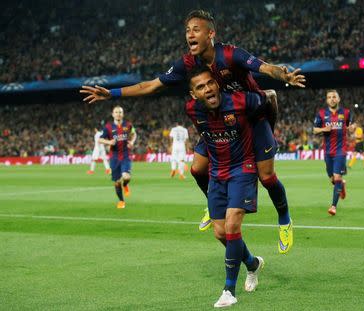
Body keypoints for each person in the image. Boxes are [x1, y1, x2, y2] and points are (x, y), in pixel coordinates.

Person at [80, 10, 304, 253]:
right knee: (197, 169)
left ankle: (284, 219)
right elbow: (152, 85)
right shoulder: (187, 63)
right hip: (219, 120)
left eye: (195, 29)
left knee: (267, 177)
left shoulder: (230, 54)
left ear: (211, 34)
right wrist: (111, 93)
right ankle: (213, 203)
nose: (190, 35)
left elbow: (265, 67)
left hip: (252, 117)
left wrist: (284, 75)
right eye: (187, 31)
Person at [186, 66, 267, 308]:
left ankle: (229, 290)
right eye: (200, 87)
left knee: (232, 225)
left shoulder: (242, 101)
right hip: (217, 173)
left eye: (210, 83)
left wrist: (266, 146)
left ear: (217, 84)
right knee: (221, 233)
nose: (208, 88)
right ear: (193, 95)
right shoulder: (192, 110)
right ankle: (252, 264)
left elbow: (265, 101)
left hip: (243, 168)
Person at [313, 90, 355, 216]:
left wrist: (352, 128)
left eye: (334, 97)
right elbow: (315, 130)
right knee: (332, 179)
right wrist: (323, 129)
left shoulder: (346, 112)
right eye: (329, 97)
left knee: (337, 177)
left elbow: (352, 126)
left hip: (340, 151)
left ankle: (333, 206)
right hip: (327, 151)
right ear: (327, 100)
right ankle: (341, 186)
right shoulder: (321, 114)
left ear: (338, 99)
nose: (332, 99)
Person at [98, 106, 137, 209]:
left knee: (126, 177)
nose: (118, 114)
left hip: (125, 155)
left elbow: (134, 134)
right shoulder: (108, 127)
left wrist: (132, 142)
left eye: (120, 112)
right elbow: (100, 140)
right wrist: (109, 142)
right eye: (116, 112)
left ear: (122, 114)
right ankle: (121, 201)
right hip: (114, 157)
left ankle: (125, 185)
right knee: (117, 181)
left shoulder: (128, 125)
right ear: (113, 114)